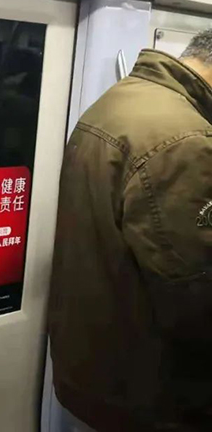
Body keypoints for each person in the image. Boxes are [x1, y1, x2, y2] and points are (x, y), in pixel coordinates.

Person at [49, 33, 212, 431]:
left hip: (97, 369)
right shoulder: (186, 140)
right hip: (153, 393)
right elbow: (196, 296)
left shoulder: (118, 102)